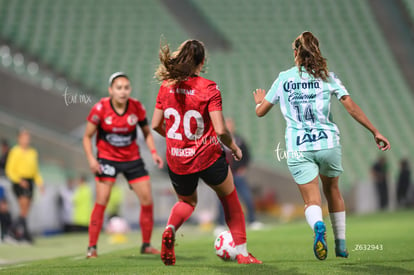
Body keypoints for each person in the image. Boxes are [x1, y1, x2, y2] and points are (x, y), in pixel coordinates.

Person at [253, 31, 390, 260]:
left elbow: (261, 112)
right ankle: (341, 244)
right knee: (333, 191)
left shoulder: (284, 78)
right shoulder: (328, 77)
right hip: (327, 143)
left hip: (298, 147)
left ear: (296, 53)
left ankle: (318, 225)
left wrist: (258, 101)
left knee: (312, 201)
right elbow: (351, 107)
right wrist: (375, 131)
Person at [152, 39, 262, 265]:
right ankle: (242, 253)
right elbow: (221, 130)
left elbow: (155, 125)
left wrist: (177, 140)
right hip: (207, 156)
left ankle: (170, 229)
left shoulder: (166, 86)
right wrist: (233, 147)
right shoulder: (209, 88)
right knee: (229, 198)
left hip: (178, 160)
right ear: (201, 63)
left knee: (186, 202)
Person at [83, 72, 164, 258]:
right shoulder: (100, 108)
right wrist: (91, 159)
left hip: (132, 159)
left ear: (130, 90)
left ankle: (145, 245)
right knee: (102, 201)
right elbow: (87, 137)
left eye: (126, 87)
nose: (123, 91)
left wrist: (153, 153)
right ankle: (92, 248)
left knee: (147, 200)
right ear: (111, 90)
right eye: (118, 88)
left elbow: (147, 133)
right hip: (107, 159)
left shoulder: (136, 107)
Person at [216, 118, 262, 231]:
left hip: (237, 175)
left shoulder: (239, 140)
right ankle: (220, 224)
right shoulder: (217, 141)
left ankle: (252, 220)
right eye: (226, 125)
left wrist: (243, 168)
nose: (228, 127)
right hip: (224, 176)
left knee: (247, 197)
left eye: (230, 124)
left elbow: (247, 156)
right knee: (222, 201)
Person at [5, 129, 45, 243]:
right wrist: (19, 180)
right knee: (23, 209)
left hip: (30, 181)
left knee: (25, 210)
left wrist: (40, 183)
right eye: (24, 137)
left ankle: (23, 235)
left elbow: (35, 171)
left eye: (27, 137)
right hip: (19, 181)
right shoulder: (15, 151)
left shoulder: (33, 152)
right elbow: (9, 170)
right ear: (19, 138)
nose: (26, 140)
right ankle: (12, 232)